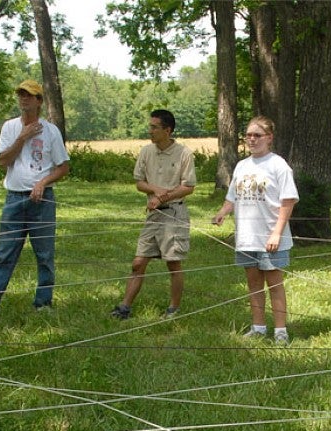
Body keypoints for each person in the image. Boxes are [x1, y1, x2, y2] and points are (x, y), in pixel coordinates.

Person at [0, 79, 70, 316]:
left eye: (28, 95)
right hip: (14, 199)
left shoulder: (51, 131)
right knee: (4, 254)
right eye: (20, 95)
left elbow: (63, 167)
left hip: (43, 201)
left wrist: (42, 182)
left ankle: (43, 304)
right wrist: (22, 137)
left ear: (39, 101)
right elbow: (2, 161)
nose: (23, 99)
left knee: (45, 255)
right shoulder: (10, 127)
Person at [211, 116, 299, 342]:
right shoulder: (242, 165)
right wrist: (222, 212)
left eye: (257, 135)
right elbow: (232, 197)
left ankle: (281, 332)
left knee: (274, 283)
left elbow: (288, 201)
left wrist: (277, 232)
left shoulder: (278, 165)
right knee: (254, 283)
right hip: (246, 237)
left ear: (269, 138)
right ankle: (258, 327)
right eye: (248, 135)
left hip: (271, 236)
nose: (252, 139)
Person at [111, 109, 196, 319]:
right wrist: (154, 190)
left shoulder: (184, 153)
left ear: (167, 130)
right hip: (153, 215)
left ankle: (173, 309)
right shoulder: (146, 151)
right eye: (150, 126)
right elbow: (139, 182)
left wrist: (162, 198)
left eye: (154, 127)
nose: (150, 131)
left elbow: (188, 187)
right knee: (138, 262)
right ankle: (124, 307)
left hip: (174, 214)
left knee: (173, 262)